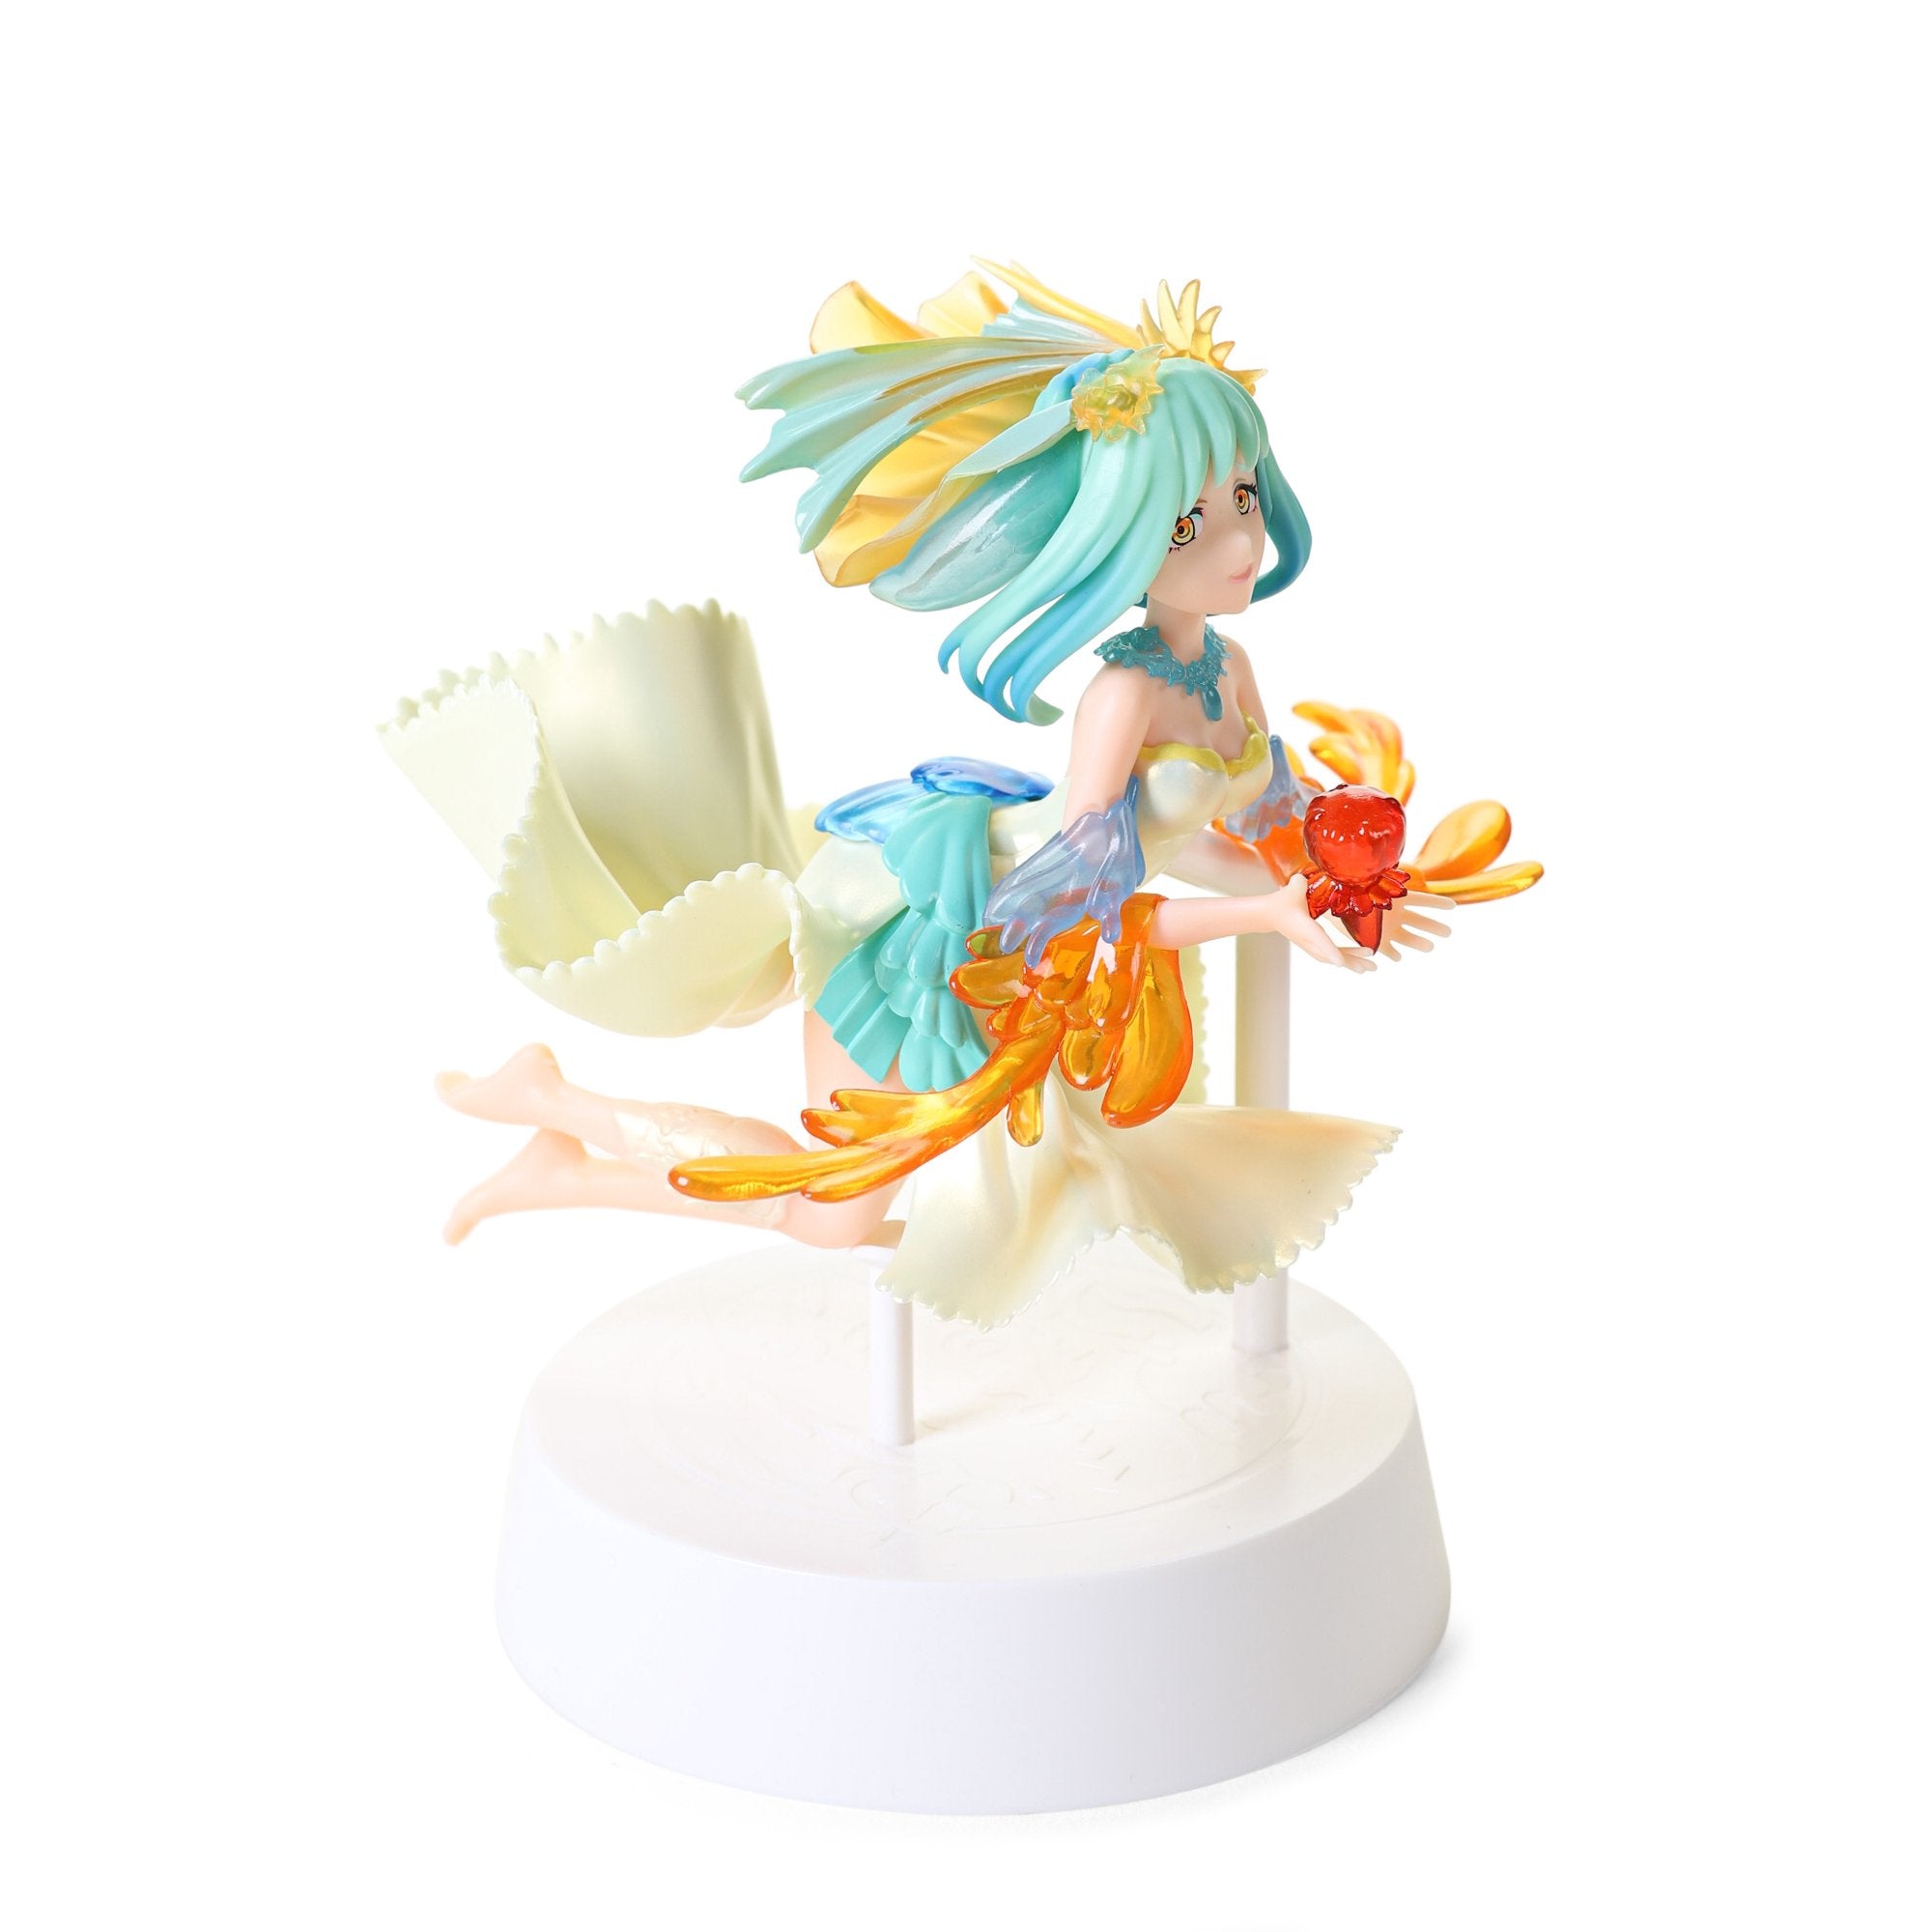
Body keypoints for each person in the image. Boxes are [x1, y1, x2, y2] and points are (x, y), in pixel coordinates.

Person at [386, 264, 1450, 1325]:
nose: (1239, 542)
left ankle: (554, 1146)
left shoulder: (1225, 668)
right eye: (1186, 523)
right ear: (1117, 541)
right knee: (834, 1213)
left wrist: (1350, 878)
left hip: (1018, 946)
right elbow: (1092, 912)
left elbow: (1255, 823)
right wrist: (1267, 913)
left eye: (1244, 499)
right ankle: (559, 1114)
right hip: (933, 929)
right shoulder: (1122, 697)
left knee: (934, 1204)